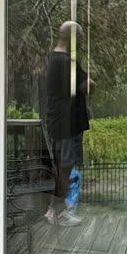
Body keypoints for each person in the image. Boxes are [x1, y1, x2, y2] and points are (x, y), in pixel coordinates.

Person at [43, 20, 91, 227]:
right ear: (72, 38)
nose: (81, 42)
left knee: (63, 166)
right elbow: (88, 87)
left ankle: (57, 209)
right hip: (66, 124)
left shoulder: (54, 58)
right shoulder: (66, 62)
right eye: (79, 37)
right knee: (64, 167)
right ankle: (57, 211)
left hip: (61, 122)